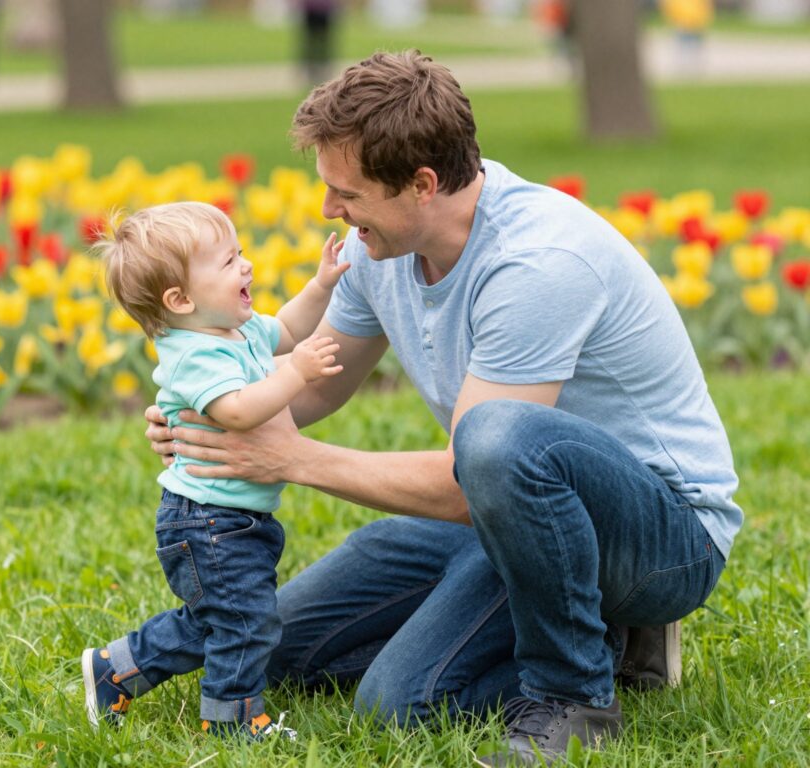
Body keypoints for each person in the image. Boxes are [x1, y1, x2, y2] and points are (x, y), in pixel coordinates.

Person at [143, 52, 741, 765]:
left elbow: (473, 470)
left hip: (660, 537)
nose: (331, 210)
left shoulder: (537, 262)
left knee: (401, 700)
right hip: (517, 516)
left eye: (348, 193)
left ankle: (577, 691)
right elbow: (321, 380)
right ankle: (583, 621)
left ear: (422, 185)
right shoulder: (380, 248)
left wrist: (292, 459)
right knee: (283, 646)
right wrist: (215, 411)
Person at [81, 202, 348, 740]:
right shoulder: (192, 355)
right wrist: (295, 372)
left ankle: (117, 668)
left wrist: (321, 285)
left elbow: (292, 327)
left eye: (241, 254)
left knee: (223, 620)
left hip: (233, 517)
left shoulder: (238, 330)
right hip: (206, 522)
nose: (245, 267)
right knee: (245, 622)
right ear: (180, 300)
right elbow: (239, 412)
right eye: (228, 263)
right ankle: (235, 720)